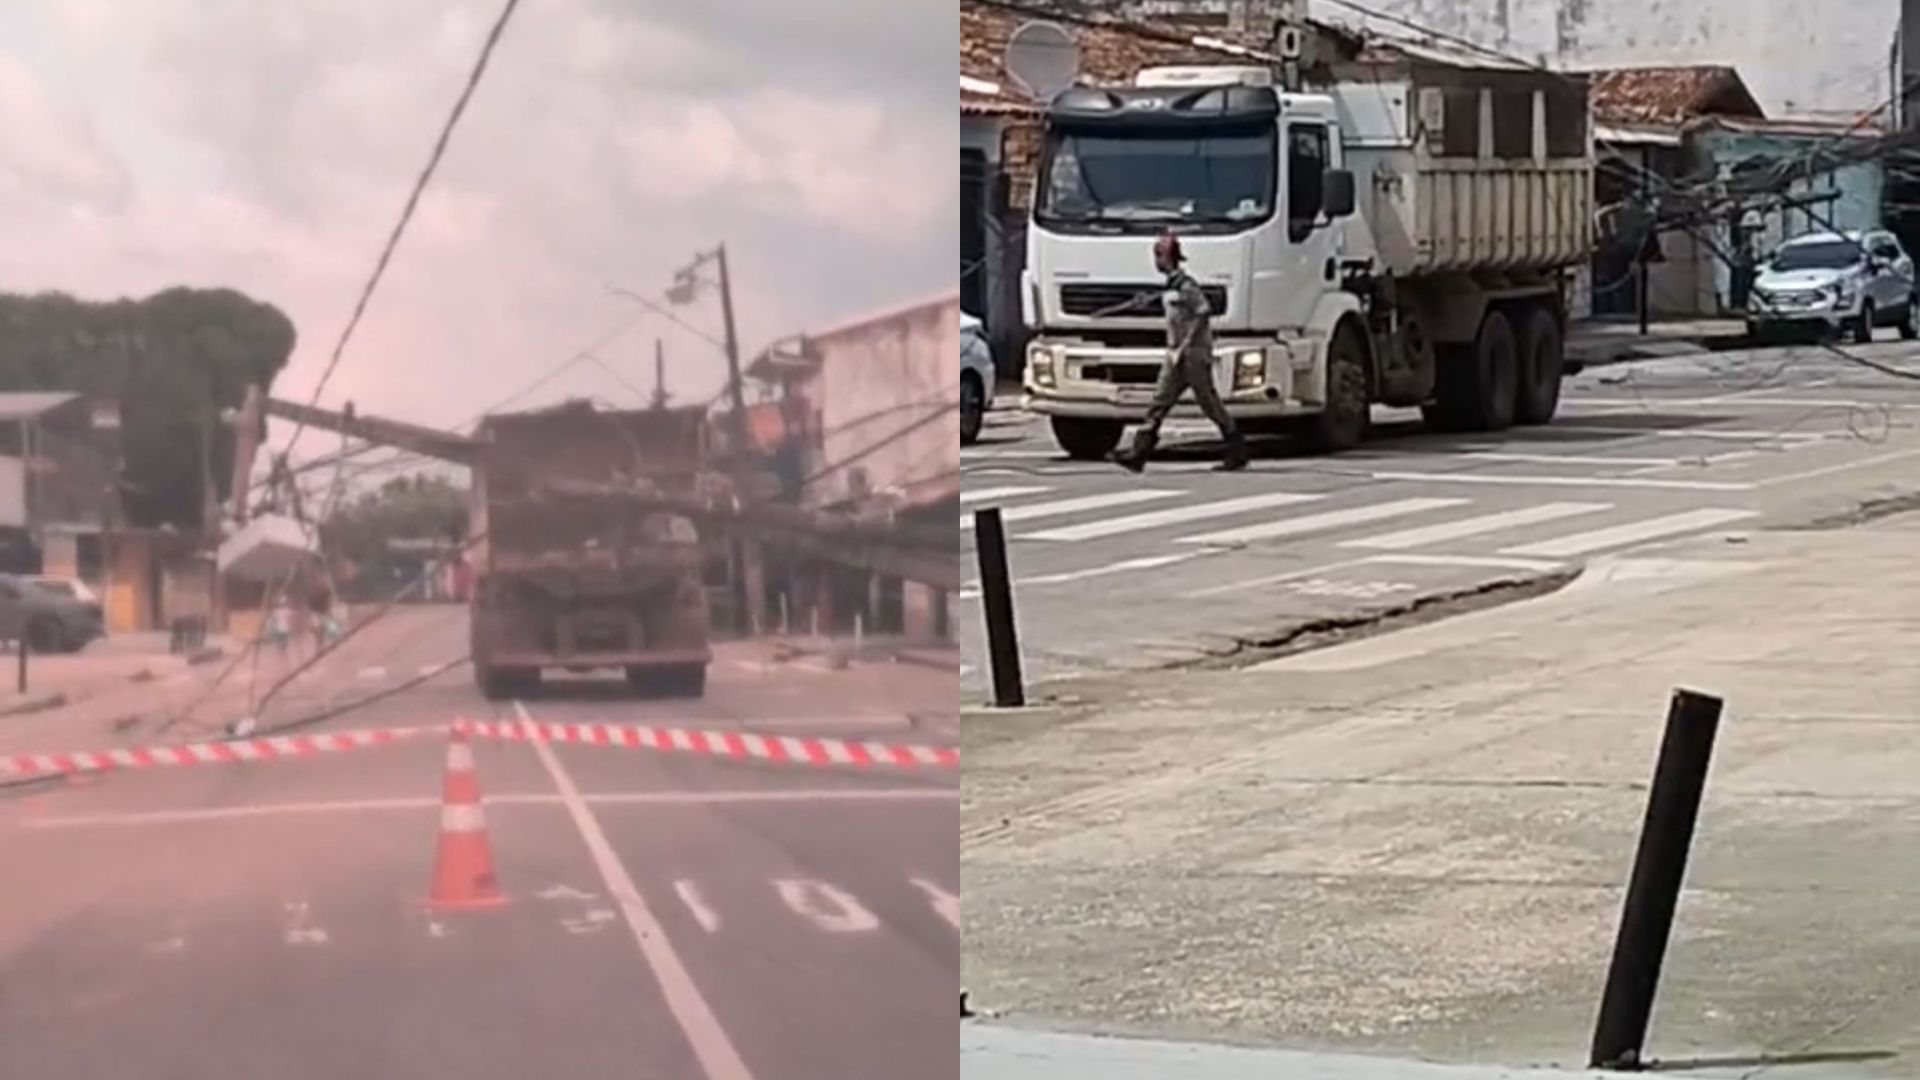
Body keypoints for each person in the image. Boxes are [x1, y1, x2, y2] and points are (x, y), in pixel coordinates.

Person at [1112, 230, 1249, 473]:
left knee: (1208, 403)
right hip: (1175, 355)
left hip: (1193, 355)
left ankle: (1237, 448)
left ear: (1166, 257)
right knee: (1160, 401)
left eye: (1158, 256)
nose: (1155, 261)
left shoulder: (1187, 286)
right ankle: (1139, 453)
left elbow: (1203, 311)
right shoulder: (1171, 287)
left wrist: (1186, 343)